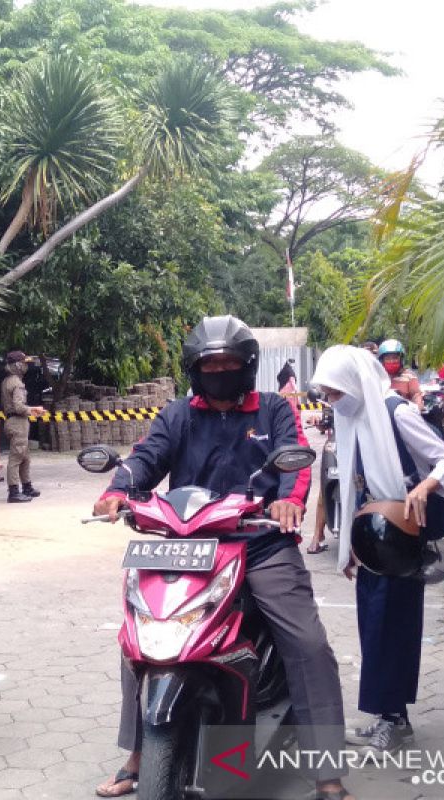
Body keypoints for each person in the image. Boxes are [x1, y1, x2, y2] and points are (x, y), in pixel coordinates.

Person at [92, 316, 353, 800]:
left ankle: (327, 771)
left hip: (258, 542)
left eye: (230, 363)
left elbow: (294, 454)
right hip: (186, 547)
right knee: (140, 639)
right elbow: (147, 458)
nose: (220, 371)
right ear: (194, 369)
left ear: (248, 366)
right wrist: (118, 491)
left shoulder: (273, 408)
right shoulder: (178, 414)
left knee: (308, 644)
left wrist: (289, 502)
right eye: (210, 364)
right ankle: (137, 754)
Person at [312, 345, 444, 756]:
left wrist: (423, 487)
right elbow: (349, 487)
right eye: (327, 394)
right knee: (373, 628)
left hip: (402, 534)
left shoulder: (396, 411)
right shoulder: (355, 417)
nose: (331, 403)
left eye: (335, 393)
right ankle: (388, 716)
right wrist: (348, 549)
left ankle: (395, 720)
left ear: (355, 384)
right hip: (373, 537)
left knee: (394, 627)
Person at [0, 350, 46, 503]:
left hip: (14, 422)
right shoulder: (17, 383)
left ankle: (27, 486)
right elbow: (19, 407)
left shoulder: (7, 381)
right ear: (18, 365)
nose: (26, 366)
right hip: (17, 422)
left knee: (24, 456)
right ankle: (14, 491)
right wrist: (34, 410)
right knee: (17, 457)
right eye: (24, 363)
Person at [376, 340, 422, 406]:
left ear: (401, 360)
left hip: (404, 412)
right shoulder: (378, 376)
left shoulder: (409, 375)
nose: (391, 361)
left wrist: (417, 409)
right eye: (388, 358)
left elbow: (416, 395)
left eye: (395, 358)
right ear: (382, 361)